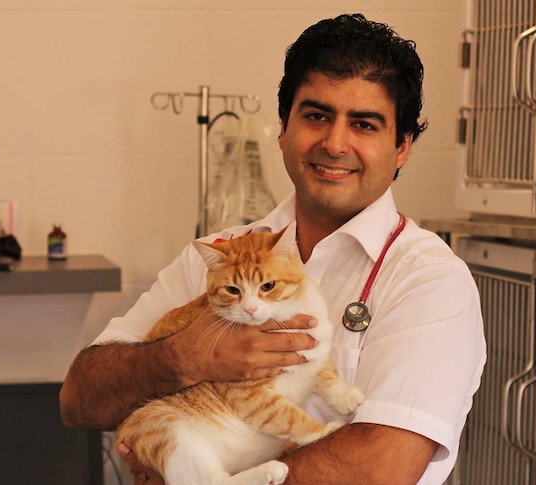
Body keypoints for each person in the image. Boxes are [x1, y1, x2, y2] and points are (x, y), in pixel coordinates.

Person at [60, 13, 486, 484]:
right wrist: (184, 356)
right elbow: (80, 399)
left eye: (364, 125)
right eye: (316, 116)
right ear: (283, 128)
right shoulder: (221, 254)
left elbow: (381, 467)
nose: (334, 143)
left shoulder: (428, 279)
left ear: (402, 146)